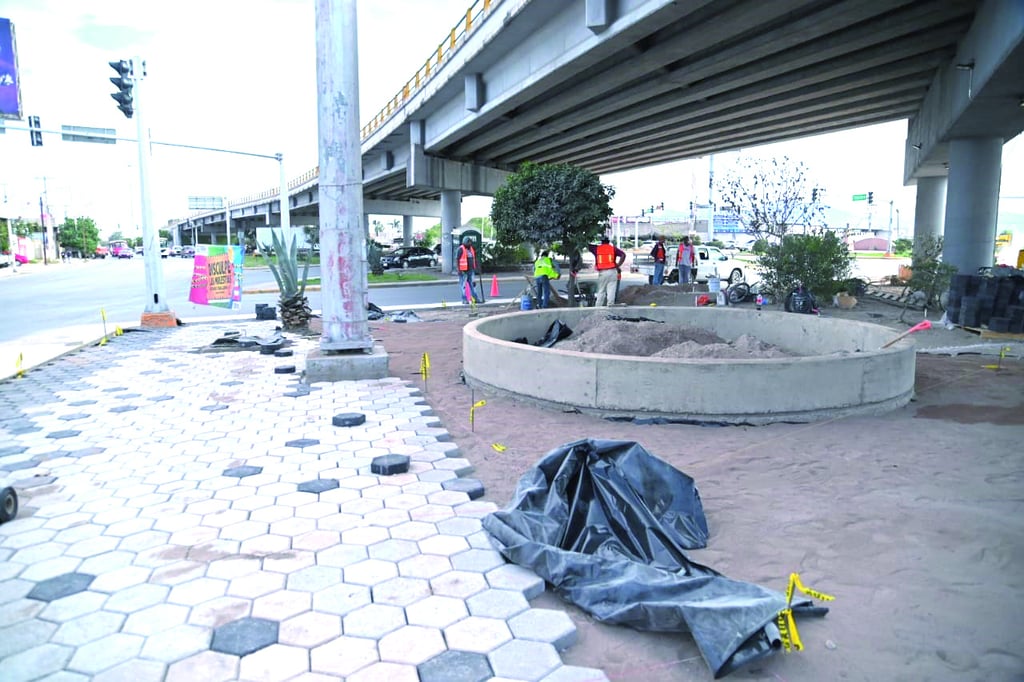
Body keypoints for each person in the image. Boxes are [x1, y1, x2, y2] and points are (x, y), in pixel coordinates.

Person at [588, 236, 626, 306]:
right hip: (612, 271)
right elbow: (623, 255)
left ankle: (598, 307)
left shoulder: (596, 248)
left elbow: (587, 245)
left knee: (601, 290)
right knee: (611, 290)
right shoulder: (613, 248)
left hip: (603, 272)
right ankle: (610, 305)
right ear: (608, 242)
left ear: (601, 242)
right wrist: (617, 265)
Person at [455, 236, 479, 304]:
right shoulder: (461, 249)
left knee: (473, 285)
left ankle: (475, 298)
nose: (470, 243)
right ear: (465, 242)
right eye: (469, 242)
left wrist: (477, 267)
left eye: (470, 242)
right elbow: (457, 259)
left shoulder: (471, 249)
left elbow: (474, 258)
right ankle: (464, 299)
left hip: (471, 270)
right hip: (463, 271)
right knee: (463, 286)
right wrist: (459, 269)